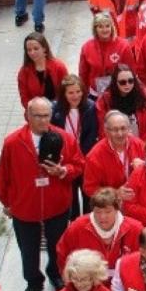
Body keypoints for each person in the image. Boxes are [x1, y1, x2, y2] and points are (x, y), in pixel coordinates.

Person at [0, 97, 83, 291]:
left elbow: (79, 165)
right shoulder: (13, 142)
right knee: (28, 250)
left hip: (57, 207)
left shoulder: (64, 138)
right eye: (38, 116)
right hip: (25, 210)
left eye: (47, 116)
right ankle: (34, 283)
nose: (43, 121)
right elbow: (1, 177)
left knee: (58, 246)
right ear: (28, 116)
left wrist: (64, 171)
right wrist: (7, 203)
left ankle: (55, 273)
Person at [56, 187, 144, 275]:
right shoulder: (77, 227)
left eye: (108, 212)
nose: (102, 217)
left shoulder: (135, 229)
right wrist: (69, 278)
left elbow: (143, 261)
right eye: (97, 212)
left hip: (123, 283)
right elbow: (63, 254)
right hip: (87, 284)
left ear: (117, 210)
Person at [52, 75, 98, 217]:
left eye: (78, 91)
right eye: (71, 92)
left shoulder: (90, 107)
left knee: (88, 198)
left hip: (85, 160)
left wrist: (82, 158)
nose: (75, 96)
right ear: (64, 94)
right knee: (70, 200)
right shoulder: (56, 110)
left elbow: (91, 135)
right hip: (66, 161)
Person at [82, 110, 145, 204]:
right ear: (106, 131)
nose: (120, 134)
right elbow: (90, 188)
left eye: (123, 128)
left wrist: (145, 167)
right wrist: (115, 193)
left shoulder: (139, 145)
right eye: (115, 130)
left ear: (129, 129)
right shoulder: (95, 155)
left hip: (138, 201)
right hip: (111, 204)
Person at [95, 65, 146, 141]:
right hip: (116, 144)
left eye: (131, 81)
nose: (127, 85)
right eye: (122, 82)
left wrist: (142, 144)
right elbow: (103, 129)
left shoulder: (144, 96)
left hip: (143, 143)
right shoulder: (105, 100)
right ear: (115, 82)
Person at [79, 13, 135, 102]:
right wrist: (83, 94)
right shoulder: (86, 47)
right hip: (95, 94)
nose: (105, 30)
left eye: (107, 26)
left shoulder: (123, 45)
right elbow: (83, 74)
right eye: (100, 27)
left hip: (118, 92)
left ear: (112, 27)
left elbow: (131, 70)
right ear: (95, 29)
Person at [17, 32, 67, 108]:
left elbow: (66, 91)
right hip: (35, 113)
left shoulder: (58, 67)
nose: (32, 53)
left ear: (44, 48)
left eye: (36, 49)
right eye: (29, 50)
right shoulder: (24, 72)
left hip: (57, 110)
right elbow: (24, 98)